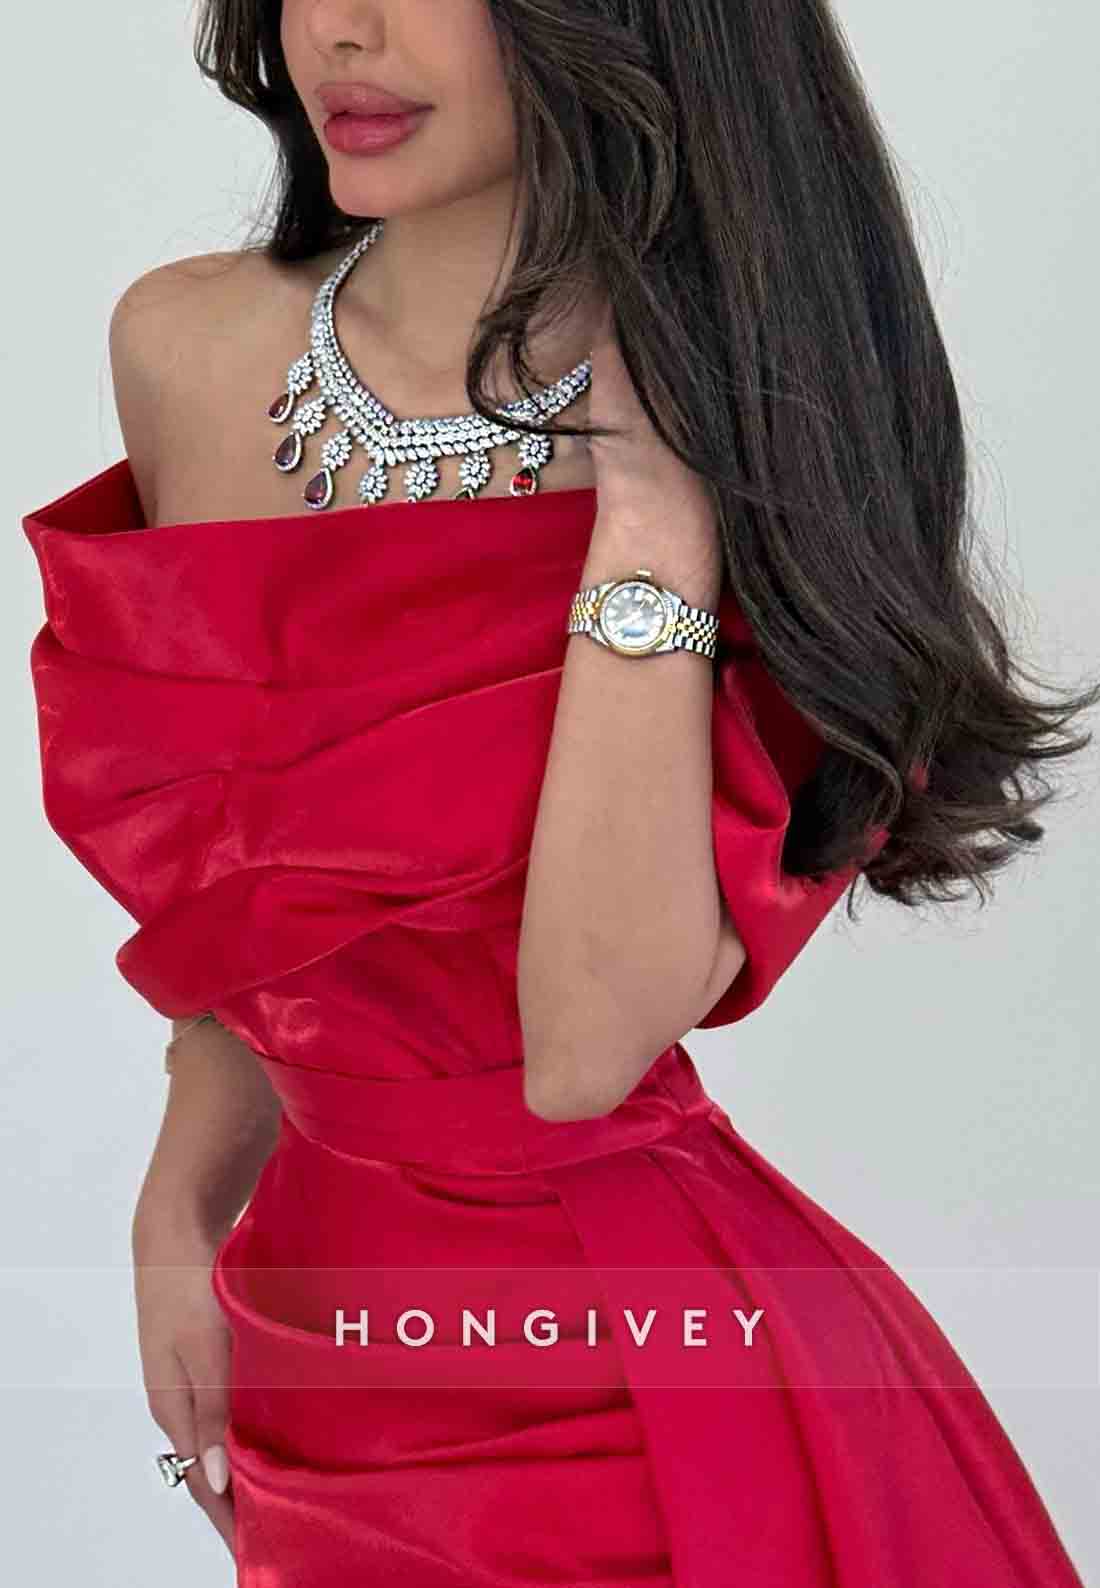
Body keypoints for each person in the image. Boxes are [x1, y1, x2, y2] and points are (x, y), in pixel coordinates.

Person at [21, 1, 1096, 1583]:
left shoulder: (754, 434)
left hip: (647, 1404)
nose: (345, 30)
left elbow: (587, 1050)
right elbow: (268, 921)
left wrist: (653, 515)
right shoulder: (186, 354)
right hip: (323, 1340)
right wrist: (178, 1207)